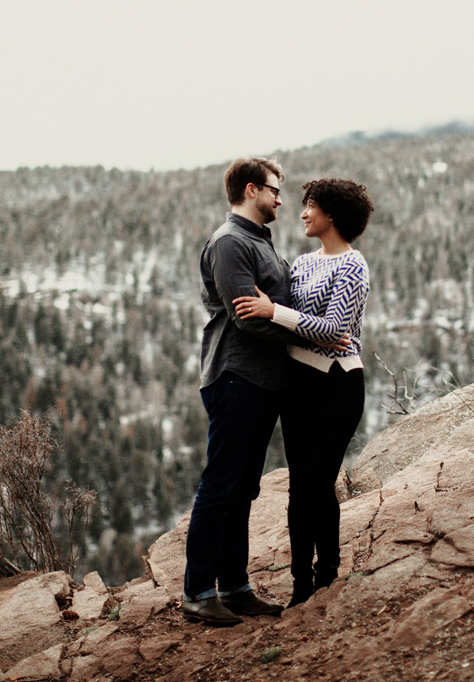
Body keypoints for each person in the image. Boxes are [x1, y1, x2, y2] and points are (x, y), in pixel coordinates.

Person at [233, 177, 373, 607]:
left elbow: (334, 332)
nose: (302, 212)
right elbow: (294, 321)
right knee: (299, 487)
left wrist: (275, 311)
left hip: (336, 384)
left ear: (332, 214)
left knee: (318, 484)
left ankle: (327, 575)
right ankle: (300, 584)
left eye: (310, 205)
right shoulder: (301, 263)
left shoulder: (353, 266)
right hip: (298, 384)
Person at [180, 157, 297, 627]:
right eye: (274, 190)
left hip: (261, 381)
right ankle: (197, 591)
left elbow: (274, 308)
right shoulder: (230, 242)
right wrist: (304, 332)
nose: (280, 199)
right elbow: (248, 317)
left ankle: (234, 587)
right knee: (222, 485)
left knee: (242, 489)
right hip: (235, 376)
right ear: (252, 190)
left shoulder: (259, 242)